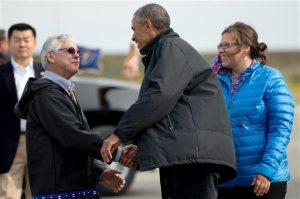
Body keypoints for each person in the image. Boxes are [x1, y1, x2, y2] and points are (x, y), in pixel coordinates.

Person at [101, 3, 237, 199]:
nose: (132, 36)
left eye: (134, 29)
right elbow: (174, 114)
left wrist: (119, 134)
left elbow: (158, 98)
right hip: (186, 156)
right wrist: (142, 148)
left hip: (194, 159)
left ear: (148, 25)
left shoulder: (171, 49)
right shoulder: (166, 50)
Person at [13, 34, 133, 198]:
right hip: (61, 192)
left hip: (75, 188)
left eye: (77, 51)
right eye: (70, 50)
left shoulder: (63, 91)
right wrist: (118, 153)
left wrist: (102, 173)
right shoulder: (46, 94)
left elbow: (75, 146)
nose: (77, 55)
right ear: (50, 56)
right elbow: (73, 136)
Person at [210, 22, 294, 199]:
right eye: (220, 45)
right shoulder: (214, 81)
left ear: (245, 48)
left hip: (262, 181)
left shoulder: (271, 78)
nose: (221, 50)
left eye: (227, 45)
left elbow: (280, 130)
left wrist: (266, 170)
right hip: (225, 179)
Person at [0, 23, 44, 199]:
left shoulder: (46, 72)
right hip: (8, 143)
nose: (22, 44)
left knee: (39, 194)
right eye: (17, 40)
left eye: (26, 40)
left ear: (34, 42)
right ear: (9, 42)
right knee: (7, 195)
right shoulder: (1, 72)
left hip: (40, 142)